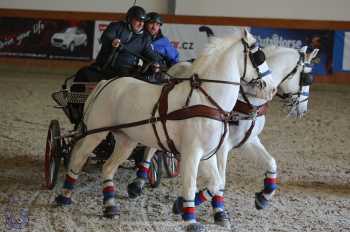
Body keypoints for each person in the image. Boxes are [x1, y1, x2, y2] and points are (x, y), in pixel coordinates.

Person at [68, 5, 161, 125]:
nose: (141, 24)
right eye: (138, 20)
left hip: (126, 72)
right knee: (83, 73)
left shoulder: (145, 38)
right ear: (129, 19)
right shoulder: (116, 27)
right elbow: (107, 36)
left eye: (143, 21)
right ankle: (75, 107)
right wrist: (113, 41)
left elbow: (151, 53)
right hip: (104, 68)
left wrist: (156, 62)